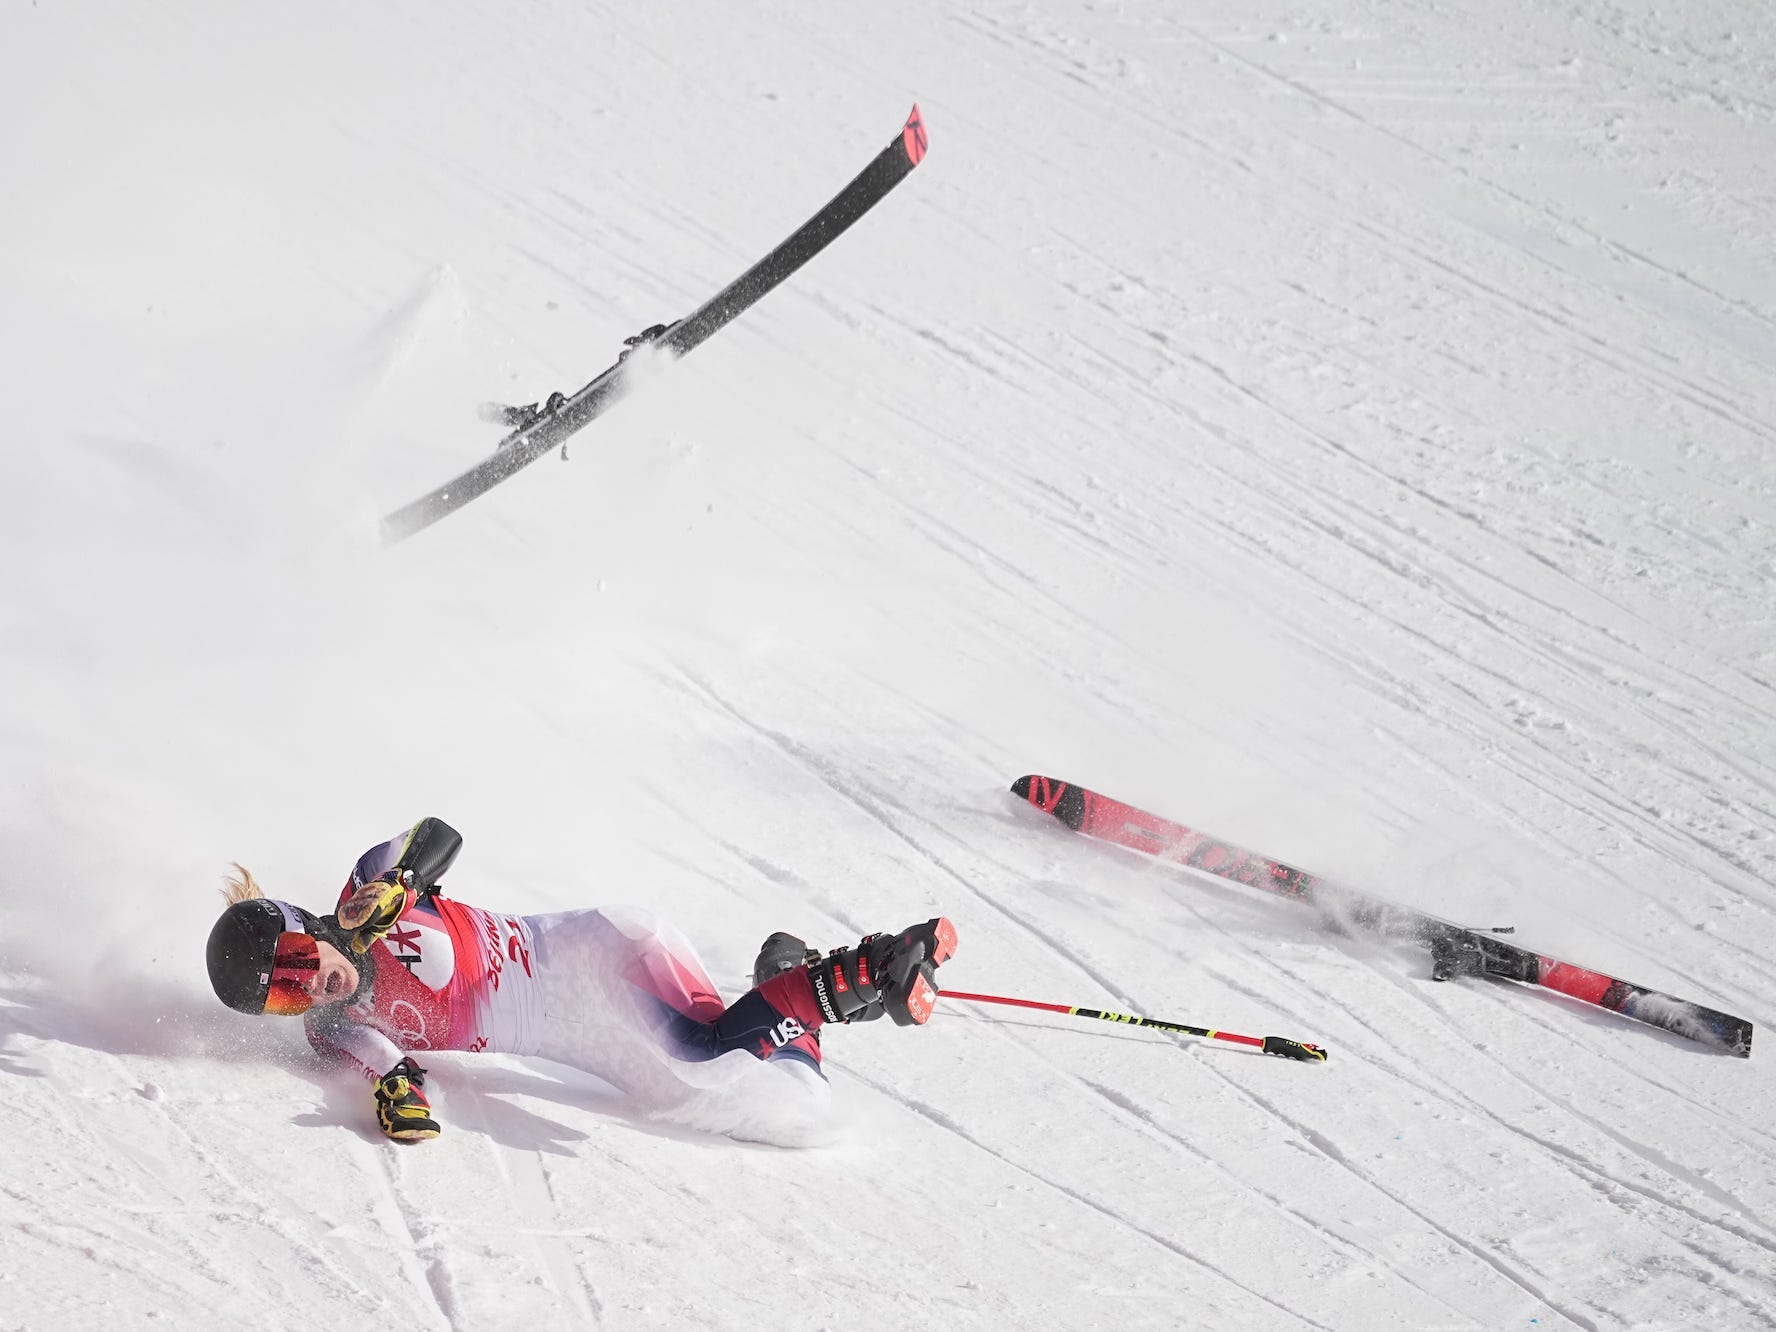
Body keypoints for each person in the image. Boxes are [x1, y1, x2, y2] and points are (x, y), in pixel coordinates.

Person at [204, 818, 956, 1145]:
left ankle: (867, 971)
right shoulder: (334, 1025)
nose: (310, 989)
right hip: (585, 1029)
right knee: (792, 1108)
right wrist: (398, 1097)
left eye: (298, 965)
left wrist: (404, 881)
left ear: (301, 924)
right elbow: (388, 1068)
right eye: (283, 996)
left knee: (703, 1070)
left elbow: (438, 836)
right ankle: (793, 984)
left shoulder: (365, 887)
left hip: (599, 955)